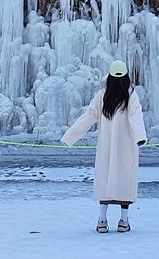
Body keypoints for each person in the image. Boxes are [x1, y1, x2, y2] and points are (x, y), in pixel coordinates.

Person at [60, 60, 147, 234]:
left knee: (105, 180)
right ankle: (123, 221)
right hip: (126, 147)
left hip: (106, 147)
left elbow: (88, 117)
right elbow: (136, 116)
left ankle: (102, 221)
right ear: (125, 78)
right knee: (125, 181)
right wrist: (140, 137)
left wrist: (69, 137)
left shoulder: (102, 95)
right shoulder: (130, 95)